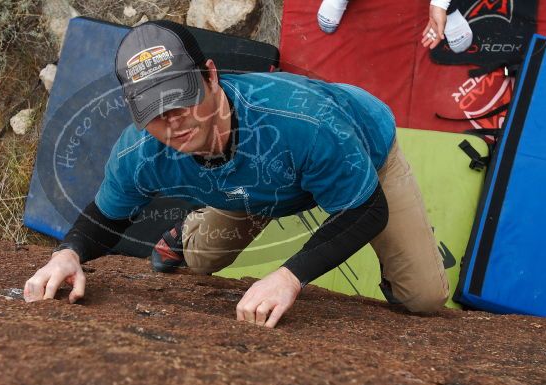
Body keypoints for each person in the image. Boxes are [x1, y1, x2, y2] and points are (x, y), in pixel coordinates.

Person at [24, 20, 449, 328]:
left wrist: (289, 277)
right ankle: (186, 233)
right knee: (200, 261)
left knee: (424, 298)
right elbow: (106, 216)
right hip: (252, 187)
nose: (173, 122)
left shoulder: (302, 121)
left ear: (210, 75)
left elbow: (366, 211)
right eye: (154, 112)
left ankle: (402, 273)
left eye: (181, 98)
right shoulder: (140, 151)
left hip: (359, 152)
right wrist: (69, 253)